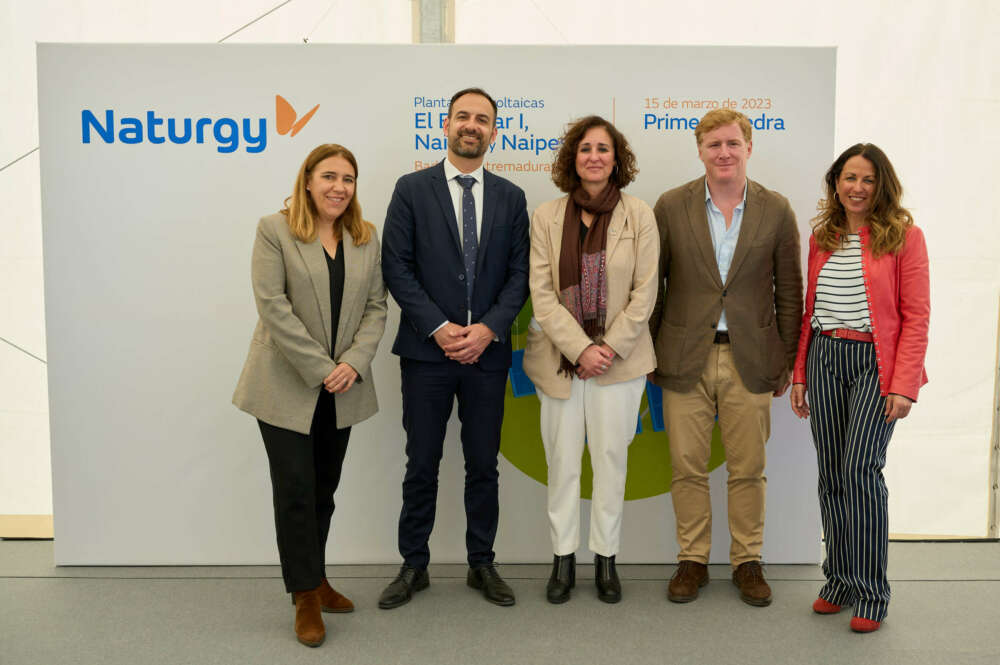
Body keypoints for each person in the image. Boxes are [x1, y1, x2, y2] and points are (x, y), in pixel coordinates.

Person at [379, 87, 530, 609]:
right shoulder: (411, 189)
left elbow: (519, 276)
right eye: (462, 116)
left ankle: (481, 563)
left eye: (482, 119)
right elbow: (396, 266)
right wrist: (439, 327)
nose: (472, 125)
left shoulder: (511, 198)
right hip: (427, 355)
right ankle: (413, 565)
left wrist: (487, 330)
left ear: (494, 132)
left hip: (486, 357)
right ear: (444, 126)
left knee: (483, 464)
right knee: (421, 461)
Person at [232, 144, 387, 647]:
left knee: (324, 489)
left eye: (348, 178)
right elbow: (272, 305)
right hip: (284, 384)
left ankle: (316, 575)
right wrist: (324, 368)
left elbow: (377, 307)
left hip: (342, 388)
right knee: (296, 490)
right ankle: (304, 595)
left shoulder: (364, 237)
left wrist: (352, 365)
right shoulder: (274, 230)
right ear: (307, 180)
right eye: (329, 176)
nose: (339, 186)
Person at [649, 109, 803, 607]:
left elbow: (789, 293)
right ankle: (692, 560)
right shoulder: (671, 206)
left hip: (751, 359)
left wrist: (785, 360)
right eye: (713, 144)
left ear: (749, 148)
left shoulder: (775, 209)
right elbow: (654, 286)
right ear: (699, 150)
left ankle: (747, 561)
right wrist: (649, 353)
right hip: (683, 356)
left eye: (733, 143)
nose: (724, 153)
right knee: (686, 468)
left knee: (748, 469)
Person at [789, 143, 929, 633]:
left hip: (876, 362)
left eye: (868, 179)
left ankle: (872, 591)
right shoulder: (821, 236)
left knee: (860, 471)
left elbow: (916, 317)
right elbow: (810, 311)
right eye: (849, 177)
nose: (857, 187)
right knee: (831, 473)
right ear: (836, 182)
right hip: (825, 356)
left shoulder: (904, 238)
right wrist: (800, 372)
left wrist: (904, 384)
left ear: (881, 185)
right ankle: (839, 581)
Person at [522, 116, 657, 604]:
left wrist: (606, 350)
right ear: (571, 159)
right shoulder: (547, 216)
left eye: (603, 148)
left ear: (616, 158)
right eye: (585, 149)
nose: (594, 156)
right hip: (560, 362)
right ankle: (562, 560)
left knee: (609, 460)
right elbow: (541, 294)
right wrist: (581, 349)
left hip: (618, 364)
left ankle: (605, 559)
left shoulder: (638, 214)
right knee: (562, 462)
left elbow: (645, 293)